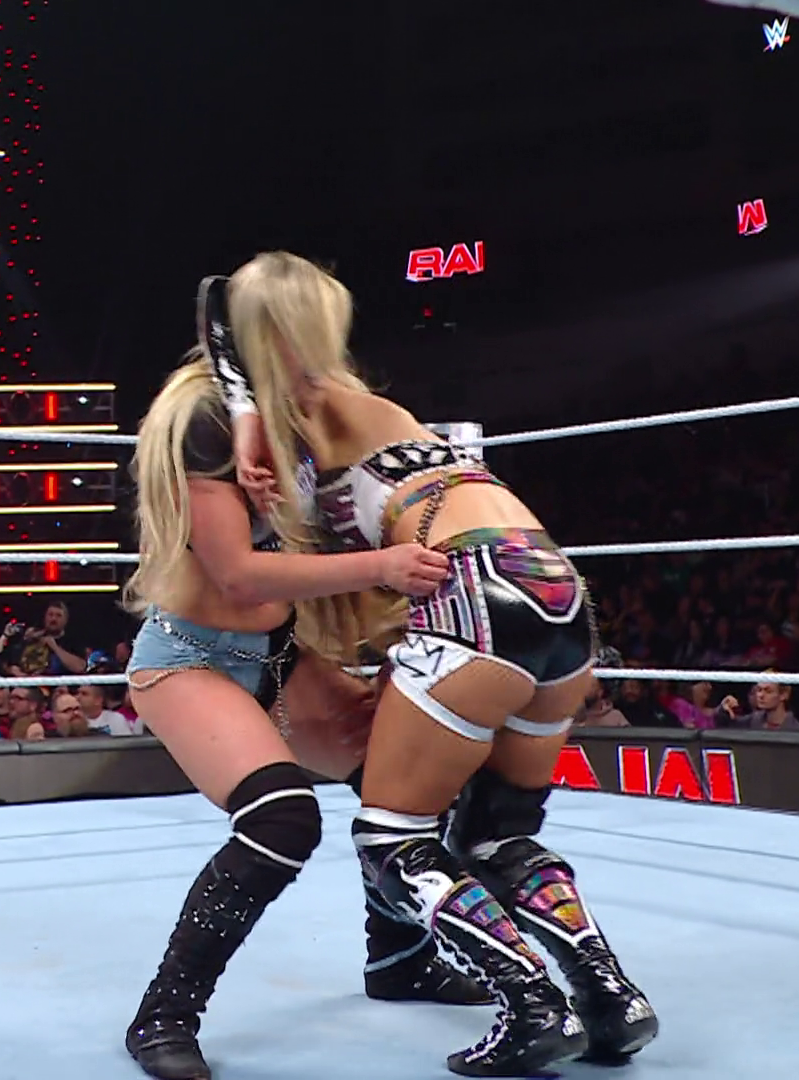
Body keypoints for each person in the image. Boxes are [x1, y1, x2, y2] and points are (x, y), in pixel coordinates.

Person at [205, 253, 655, 1075]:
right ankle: (609, 997)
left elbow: (214, 316)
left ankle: (531, 1004)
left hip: (471, 589)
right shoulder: (382, 411)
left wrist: (241, 425)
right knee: (496, 832)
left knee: (392, 836)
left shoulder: (298, 412)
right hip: (555, 584)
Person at [118, 348, 486, 1080]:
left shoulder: (301, 421)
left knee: (409, 775)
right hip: (190, 656)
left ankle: (401, 957)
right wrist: (382, 567)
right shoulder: (202, 420)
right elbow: (238, 573)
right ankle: (164, 1014)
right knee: (280, 818)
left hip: (282, 651)